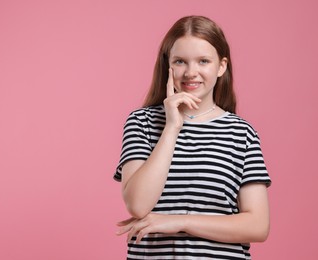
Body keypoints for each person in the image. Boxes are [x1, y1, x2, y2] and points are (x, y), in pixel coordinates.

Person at [114, 15, 271, 259]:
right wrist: (171, 128)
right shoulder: (141, 123)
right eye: (180, 61)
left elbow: (258, 226)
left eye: (203, 61)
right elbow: (137, 205)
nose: (191, 72)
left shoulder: (242, 133)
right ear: (168, 65)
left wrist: (179, 221)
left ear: (221, 66)